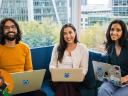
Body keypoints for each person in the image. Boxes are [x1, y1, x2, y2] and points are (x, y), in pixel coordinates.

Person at [0, 18, 46, 96]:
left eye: (13, 27)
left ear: (17, 30)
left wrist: (27, 83)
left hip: (23, 84)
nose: (10, 29)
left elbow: (29, 70)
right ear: (2, 31)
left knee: (41, 94)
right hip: (5, 85)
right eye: (6, 28)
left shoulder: (25, 48)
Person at [49, 23, 89, 96]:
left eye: (70, 32)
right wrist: (55, 73)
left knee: (66, 84)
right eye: (65, 33)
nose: (68, 36)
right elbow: (52, 65)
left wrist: (82, 75)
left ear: (75, 33)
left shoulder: (83, 48)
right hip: (58, 80)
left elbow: (84, 67)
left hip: (74, 80)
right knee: (65, 84)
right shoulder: (57, 47)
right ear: (62, 36)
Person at [98, 19, 128, 96]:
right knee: (102, 90)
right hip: (116, 80)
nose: (114, 32)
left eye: (118, 30)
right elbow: (111, 67)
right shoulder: (110, 47)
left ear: (123, 32)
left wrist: (125, 78)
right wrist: (103, 71)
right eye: (112, 29)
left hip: (126, 82)